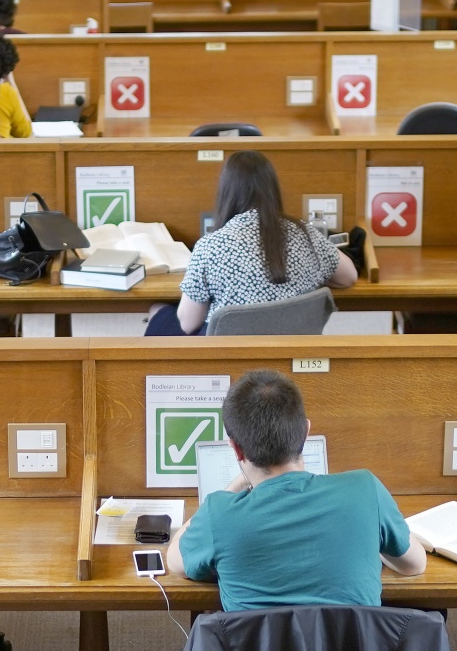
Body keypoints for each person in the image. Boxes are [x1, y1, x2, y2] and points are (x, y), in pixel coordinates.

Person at [169, 371, 428, 610]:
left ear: (235, 449)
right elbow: (414, 565)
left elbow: (175, 561)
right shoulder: (365, 489)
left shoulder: (219, 513)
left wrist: (237, 483)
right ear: (305, 431)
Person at [146, 150, 358, 335]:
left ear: (227, 193)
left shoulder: (210, 246)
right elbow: (349, 276)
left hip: (227, 361)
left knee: (159, 311)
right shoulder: (305, 234)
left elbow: (188, 324)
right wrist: (309, 273)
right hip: (292, 355)